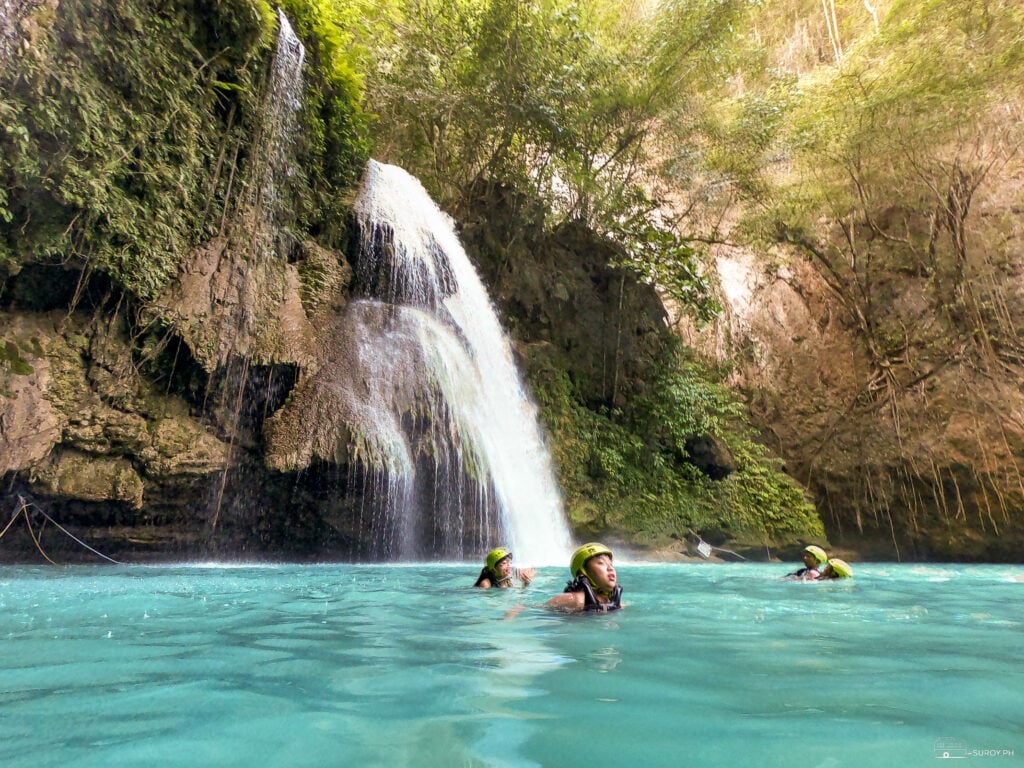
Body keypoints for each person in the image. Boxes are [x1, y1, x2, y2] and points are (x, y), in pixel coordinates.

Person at [546, 542, 623, 612]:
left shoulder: (617, 603)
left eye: (611, 564)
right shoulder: (574, 600)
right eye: (601, 563)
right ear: (582, 572)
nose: (610, 568)